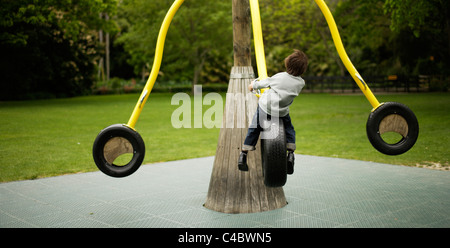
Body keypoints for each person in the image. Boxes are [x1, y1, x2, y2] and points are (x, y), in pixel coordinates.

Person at [238, 49, 308, 175]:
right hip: (282, 112)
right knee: (289, 129)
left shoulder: (280, 77)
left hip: (266, 108)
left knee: (255, 128)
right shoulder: (301, 83)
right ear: (303, 69)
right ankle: (291, 153)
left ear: (288, 64)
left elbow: (264, 83)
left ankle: (243, 153)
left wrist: (253, 85)